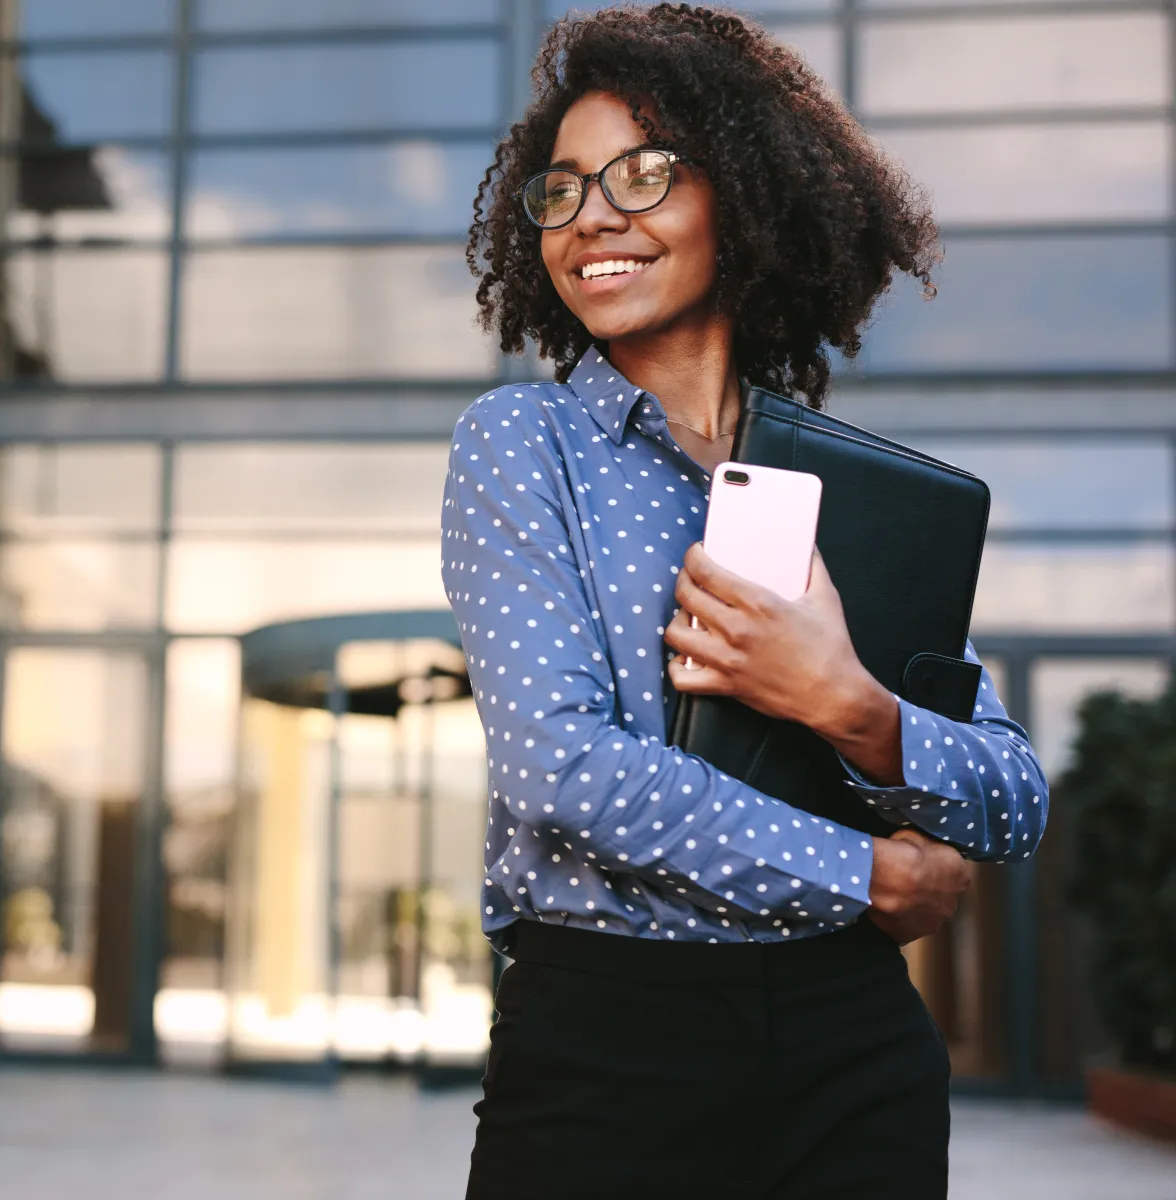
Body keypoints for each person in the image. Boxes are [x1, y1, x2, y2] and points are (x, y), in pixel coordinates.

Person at [441, 6, 1048, 1197]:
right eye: (559, 190)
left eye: (644, 172)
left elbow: (1013, 797)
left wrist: (850, 705)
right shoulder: (522, 446)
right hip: (608, 1048)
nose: (594, 217)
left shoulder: (853, 496)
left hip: (854, 1047)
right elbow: (560, 769)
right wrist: (869, 873)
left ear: (747, 194)